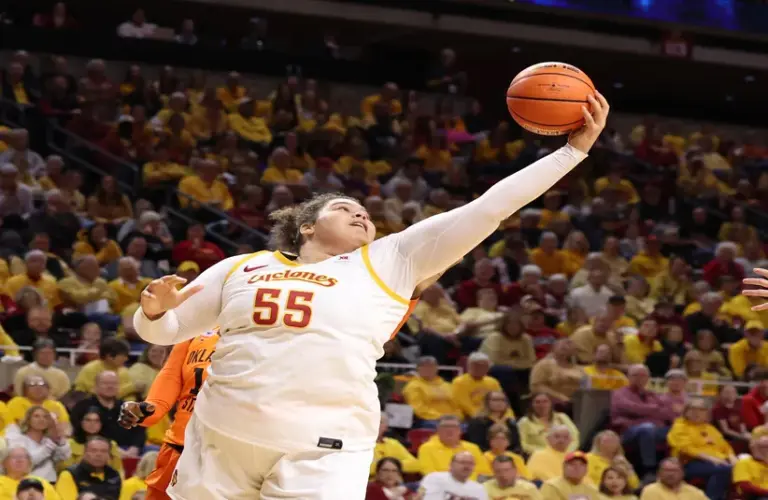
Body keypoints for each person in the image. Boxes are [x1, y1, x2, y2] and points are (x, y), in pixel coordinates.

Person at [133, 95, 608, 499]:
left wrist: (571, 154)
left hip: (321, 445)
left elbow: (487, 209)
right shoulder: (244, 265)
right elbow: (167, 330)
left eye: (366, 213)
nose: (362, 216)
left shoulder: (391, 259)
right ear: (306, 226)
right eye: (345, 209)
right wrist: (152, 311)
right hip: (221, 435)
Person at [119, 330, 219, 500]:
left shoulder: (265, 334)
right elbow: (171, 375)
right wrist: (146, 409)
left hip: (228, 451)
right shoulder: (195, 330)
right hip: (179, 445)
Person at [418, 451, 488, 500]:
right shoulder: (434, 477)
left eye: (470, 463)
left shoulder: (479, 488)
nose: (467, 466)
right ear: (451, 465)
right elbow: (423, 496)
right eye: (462, 462)